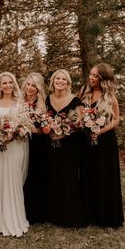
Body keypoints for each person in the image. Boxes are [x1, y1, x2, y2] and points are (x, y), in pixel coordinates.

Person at [0, 72, 29, 237]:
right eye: (4, 83)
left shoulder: (20, 103)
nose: (8, 85)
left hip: (14, 147)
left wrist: (10, 136)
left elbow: (23, 126)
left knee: (12, 179)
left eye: (10, 82)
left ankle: (13, 219)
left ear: (14, 84)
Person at [79, 63, 124, 228]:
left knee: (104, 175)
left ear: (103, 79)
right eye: (90, 75)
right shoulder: (84, 92)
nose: (91, 78)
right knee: (88, 173)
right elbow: (78, 112)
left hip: (104, 140)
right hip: (86, 140)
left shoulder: (110, 97)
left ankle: (105, 216)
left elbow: (116, 120)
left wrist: (100, 131)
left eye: (95, 76)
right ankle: (88, 214)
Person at [45, 69, 87, 227]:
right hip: (51, 144)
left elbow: (80, 124)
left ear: (68, 83)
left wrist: (63, 133)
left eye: (64, 79)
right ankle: (54, 214)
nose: (60, 81)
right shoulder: (47, 99)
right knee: (54, 176)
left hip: (71, 145)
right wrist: (49, 128)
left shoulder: (75, 100)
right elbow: (43, 119)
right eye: (57, 78)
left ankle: (70, 216)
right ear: (53, 81)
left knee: (68, 177)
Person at [22, 72, 50, 224]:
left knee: (35, 175)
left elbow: (45, 129)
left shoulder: (43, 104)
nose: (30, 88)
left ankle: (36, 213)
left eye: (34, 85)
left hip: (37, 144)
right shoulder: (18, 101)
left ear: (39, 88)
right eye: (29, 84)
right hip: (20, 141)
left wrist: (34, 130)